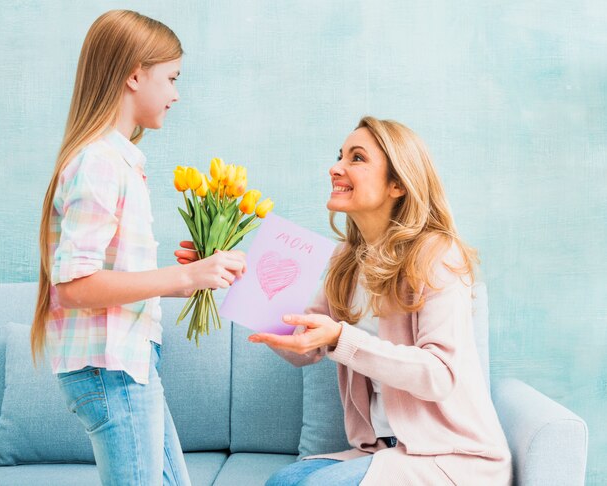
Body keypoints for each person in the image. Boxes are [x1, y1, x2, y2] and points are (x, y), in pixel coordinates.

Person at [30, 10, 246, 486]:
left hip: (125, 363)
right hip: (112, 367)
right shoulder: (100, 162)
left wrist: (189, 276)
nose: (175, 93)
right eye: (170, 78)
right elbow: (75, 286)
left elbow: (102, 276)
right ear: (133, 75)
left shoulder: (116, 160)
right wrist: (186, 277)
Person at [247, 116, 512, 485]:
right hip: (385, 450)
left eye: (356, 158)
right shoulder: (346, 260)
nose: (335, 167)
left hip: (450, 455)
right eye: (340, 155)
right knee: (283, 481)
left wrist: (340, 338)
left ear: (398, 184)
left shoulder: (437, 255)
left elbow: (440, 374)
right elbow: (303, 347)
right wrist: (252, 297)